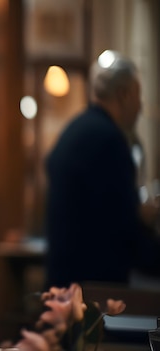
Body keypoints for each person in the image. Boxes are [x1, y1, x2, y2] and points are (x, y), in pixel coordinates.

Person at [44, 51, 160, 288]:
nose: (140, 107)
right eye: (138, 96)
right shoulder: (110, 142)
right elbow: (122, 233)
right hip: (92, 292)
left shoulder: (75, 129)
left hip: (63, 283)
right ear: (124, 94)